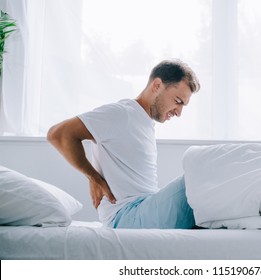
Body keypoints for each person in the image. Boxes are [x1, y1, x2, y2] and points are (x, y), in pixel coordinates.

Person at [47, 59, 201, 229]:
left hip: (144, 208)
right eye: (178, 101)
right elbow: (59, 134)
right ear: (157, 86)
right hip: (128, 215)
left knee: (206, 199)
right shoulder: (122, 114)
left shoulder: (144, 122)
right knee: (202, 174)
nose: (179, 113)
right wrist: (93, 177)